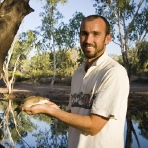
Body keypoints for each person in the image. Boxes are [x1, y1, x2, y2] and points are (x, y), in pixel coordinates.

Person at [22, 15, 129, 148]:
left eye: (96, 34)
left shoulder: (113, 72)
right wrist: (55, 110)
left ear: (107, 38)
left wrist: (51, 112)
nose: (88, 40)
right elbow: (75, 115)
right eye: (84, 34)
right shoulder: (78, 73)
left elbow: (93, 126)